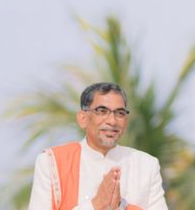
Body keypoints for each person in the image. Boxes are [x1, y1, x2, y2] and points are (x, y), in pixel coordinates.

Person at [27, 82, 168, 210]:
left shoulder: (147, 165)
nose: (112, 121)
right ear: (83, 118)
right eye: (102, 111)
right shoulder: (52, 162)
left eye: (119, 113)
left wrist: (122, 206)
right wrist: (96, 205)